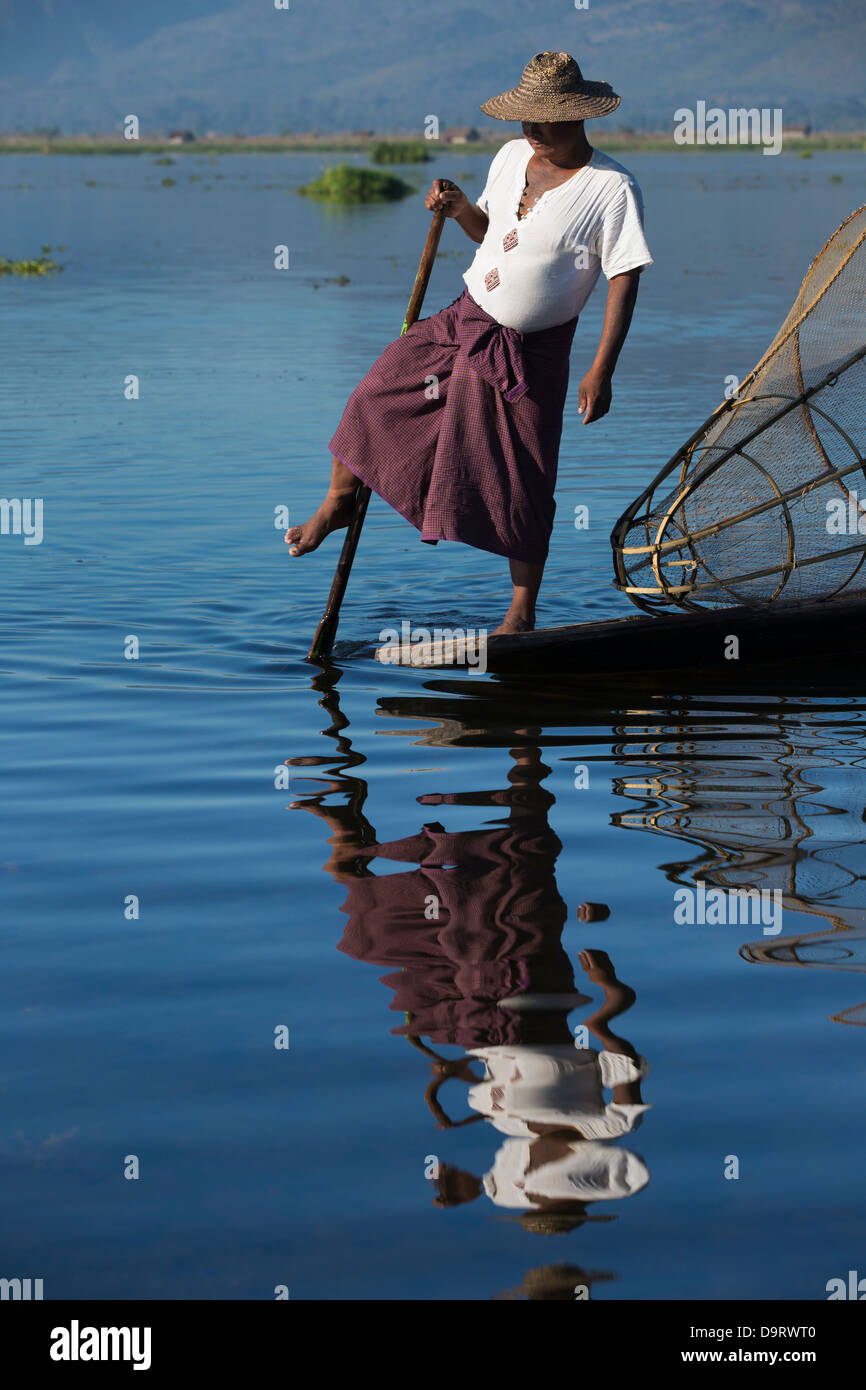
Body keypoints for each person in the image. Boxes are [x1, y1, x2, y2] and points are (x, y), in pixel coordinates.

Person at [286, 50, 653, 633]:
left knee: (525, 476)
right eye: (525, 119)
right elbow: (493, 236)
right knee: (376, 394)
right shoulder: (512, 156)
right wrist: (460, 210)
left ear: (579, 117)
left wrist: (601, 370)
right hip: (464, 320)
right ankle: (337, 500)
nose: (531, 131)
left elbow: (625, 277)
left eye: (544, 120)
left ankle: (521, 610)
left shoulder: (611, 189)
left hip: (530, 353)